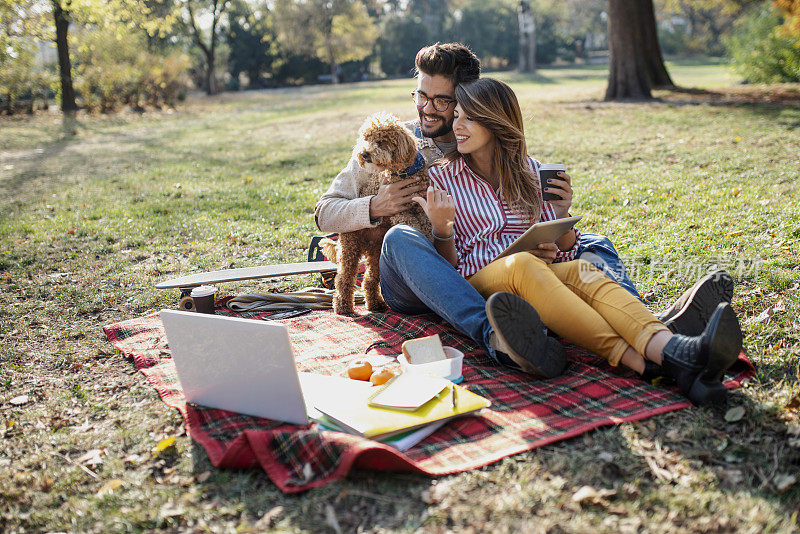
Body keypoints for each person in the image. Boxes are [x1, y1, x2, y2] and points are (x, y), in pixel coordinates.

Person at [315, 43, 731, 379]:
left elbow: (529, 211)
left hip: (483, 267)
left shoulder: (502, 157)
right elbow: (325, 213)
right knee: (402, 238)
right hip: (415, 271)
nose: (427, 109)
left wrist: (555, 225)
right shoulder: (393, 140)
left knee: (593, 246)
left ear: (469, 102)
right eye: (420, 95)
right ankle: (499, 335)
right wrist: (375, 206)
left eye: (443, 102)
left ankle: (657, 333)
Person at [416, 77, 743, 405]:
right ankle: (643, 360)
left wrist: (560, 214)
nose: (457, 125)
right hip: (480, 282)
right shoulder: (443, 178)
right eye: (456, 115)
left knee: (585, 273)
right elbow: (446, 270)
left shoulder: (531, 172)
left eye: (468, 117)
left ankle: (672, 354)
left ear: (495, 120)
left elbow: (567, 247)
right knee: (524, 263)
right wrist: (443, 229)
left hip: (535, 274)